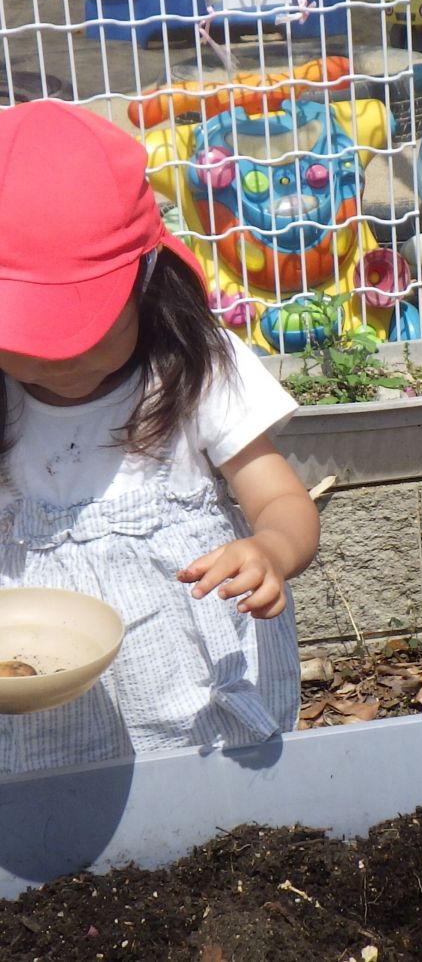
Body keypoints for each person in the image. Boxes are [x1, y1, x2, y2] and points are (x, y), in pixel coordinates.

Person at [0, 101, 320, 773]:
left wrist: (269, 550)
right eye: (29, 338)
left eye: (83, 329)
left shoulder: (194, 367)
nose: (57, 360)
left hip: (191, 692)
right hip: (36, 701)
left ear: (148, 280)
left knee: (209, 833)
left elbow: (282, 501)